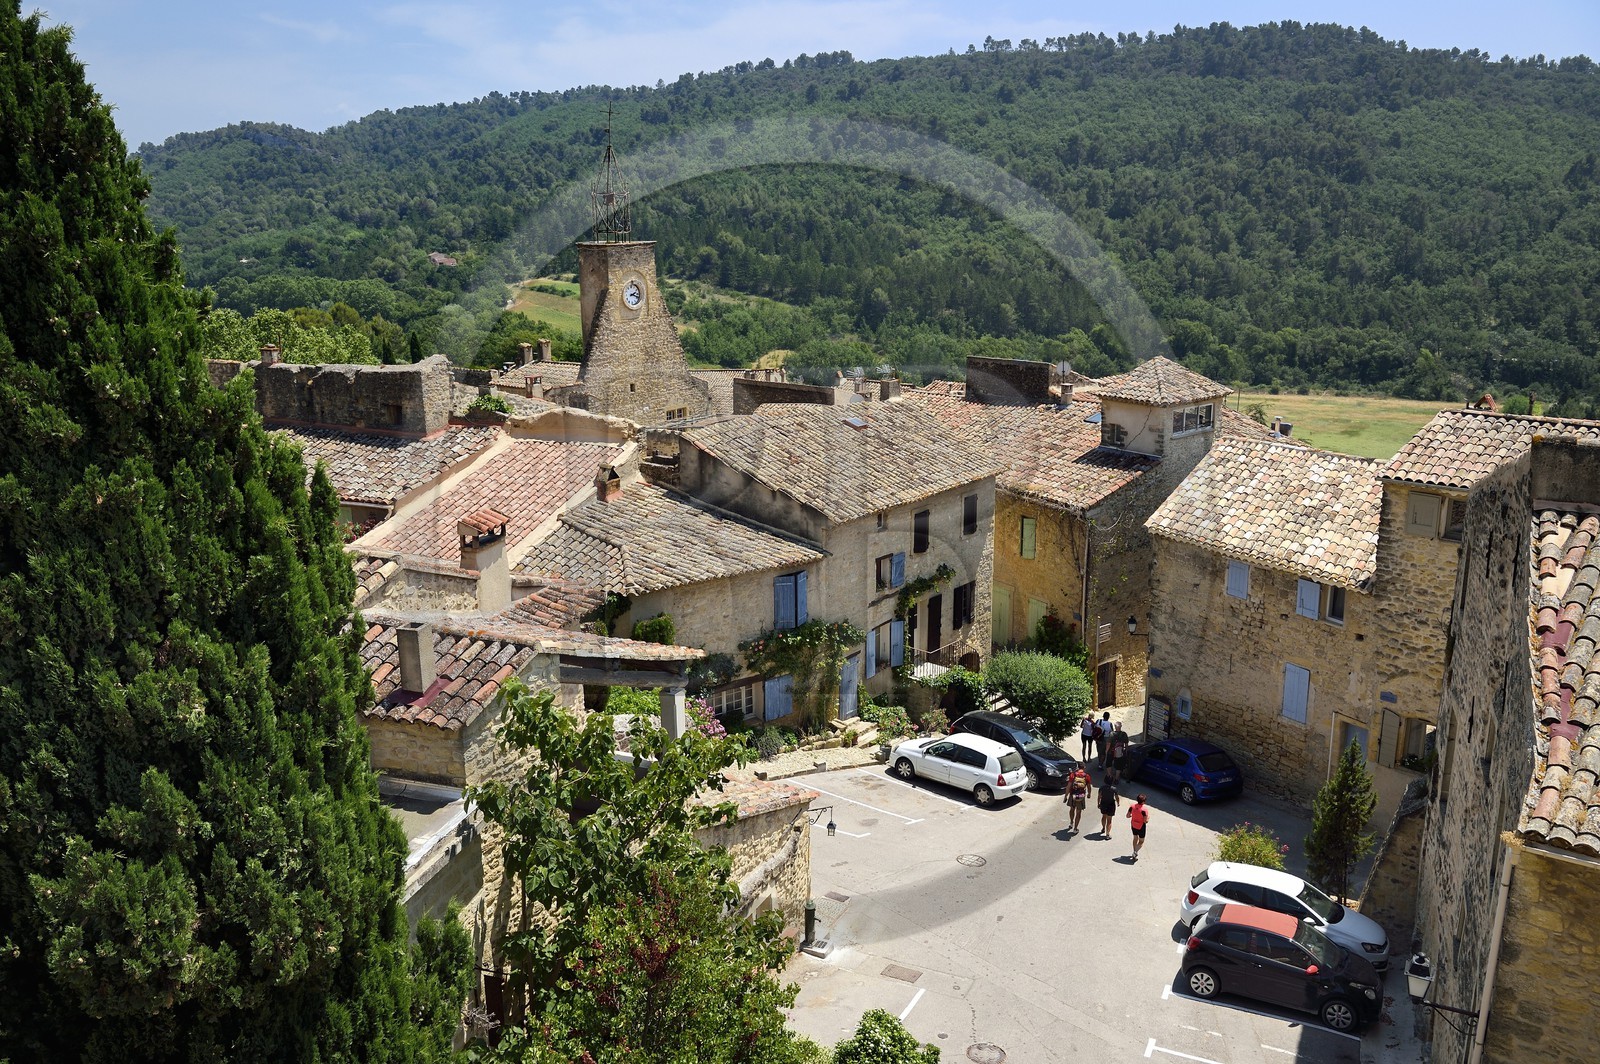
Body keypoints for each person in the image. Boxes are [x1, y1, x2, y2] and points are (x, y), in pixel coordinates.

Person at [1062, 763, 1092, 834]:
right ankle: (1075, 828)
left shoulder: (1073, 775)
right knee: (1078, 812)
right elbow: (1089, 787)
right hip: (1081, 796)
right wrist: (1089, 794)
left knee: (1072, 809)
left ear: (1078, 767)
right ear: (1084, 767)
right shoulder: (1086, 776)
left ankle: (1071, 822)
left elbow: (1068, 786)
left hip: (1073, 795)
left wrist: (1066, 796)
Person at [1126, 793, 1150, 862]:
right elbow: (1145, 821)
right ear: (1143, 802)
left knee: (1135, 838)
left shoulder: (1132, 806)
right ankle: (1135, 852)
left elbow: (1127, 816)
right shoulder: (1144, 810)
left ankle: (1134, 851)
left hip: (1133, 825)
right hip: (1141, 827)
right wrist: (1148, 818)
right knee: (1141, 841)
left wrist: (1132, 816)